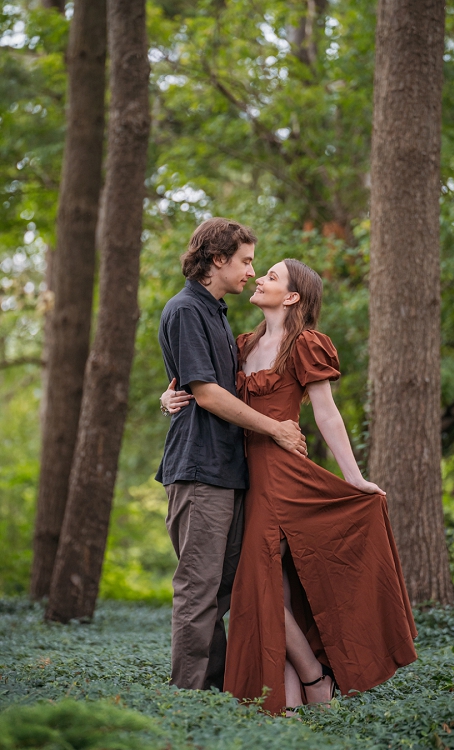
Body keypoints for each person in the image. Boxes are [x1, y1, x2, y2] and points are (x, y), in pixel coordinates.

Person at [163, 257, 417, 715]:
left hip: (282, 475)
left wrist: (352, 476)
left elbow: (326, 414)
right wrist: (168, 397)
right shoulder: (241, 344)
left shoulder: (305, 344)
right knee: (267, 587)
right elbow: (201, 387)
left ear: (293, 296)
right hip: (241, 473)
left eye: (272, 276)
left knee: (257, 582)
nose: (259, 277)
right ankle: (293, 698)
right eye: (256, 269)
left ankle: (313, 679)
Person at [155, 219, 306, 693]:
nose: (251, 271)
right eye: (245, 261)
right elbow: (208, 394)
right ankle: (192, 703)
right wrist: (277, 430)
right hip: (200, 471)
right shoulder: (186, 310)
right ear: (217, 259)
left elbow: (206, 383)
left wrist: (170, 395)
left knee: (230, 587)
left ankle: (221, 693)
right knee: (199, 592)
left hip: (229, 471)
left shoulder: (217, 313)